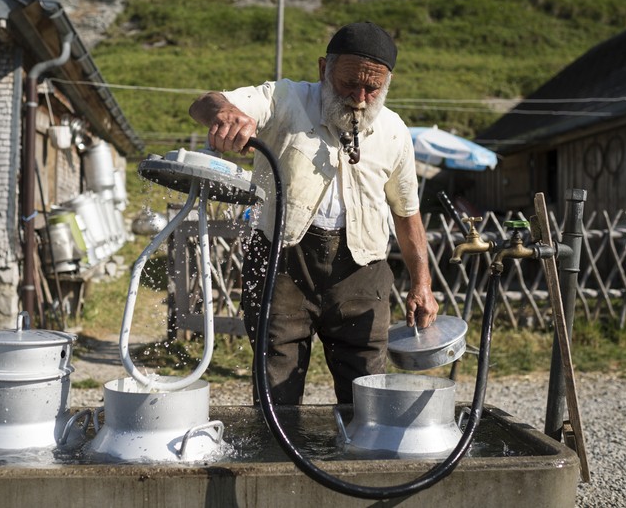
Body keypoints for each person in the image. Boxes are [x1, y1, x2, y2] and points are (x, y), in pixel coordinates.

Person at [188, 21, 439, 405]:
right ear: (324, 69)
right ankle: (277, 460)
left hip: (363, 274)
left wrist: (422, 283)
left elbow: (407, 216)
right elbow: (204, 102)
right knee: (276, 389)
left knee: (367, 396)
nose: (359, 97)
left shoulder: (394, 132)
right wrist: (224, 113)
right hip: (281, 263)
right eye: (348, 83)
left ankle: (359, 464)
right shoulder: (285, 99)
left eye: (372, 89)